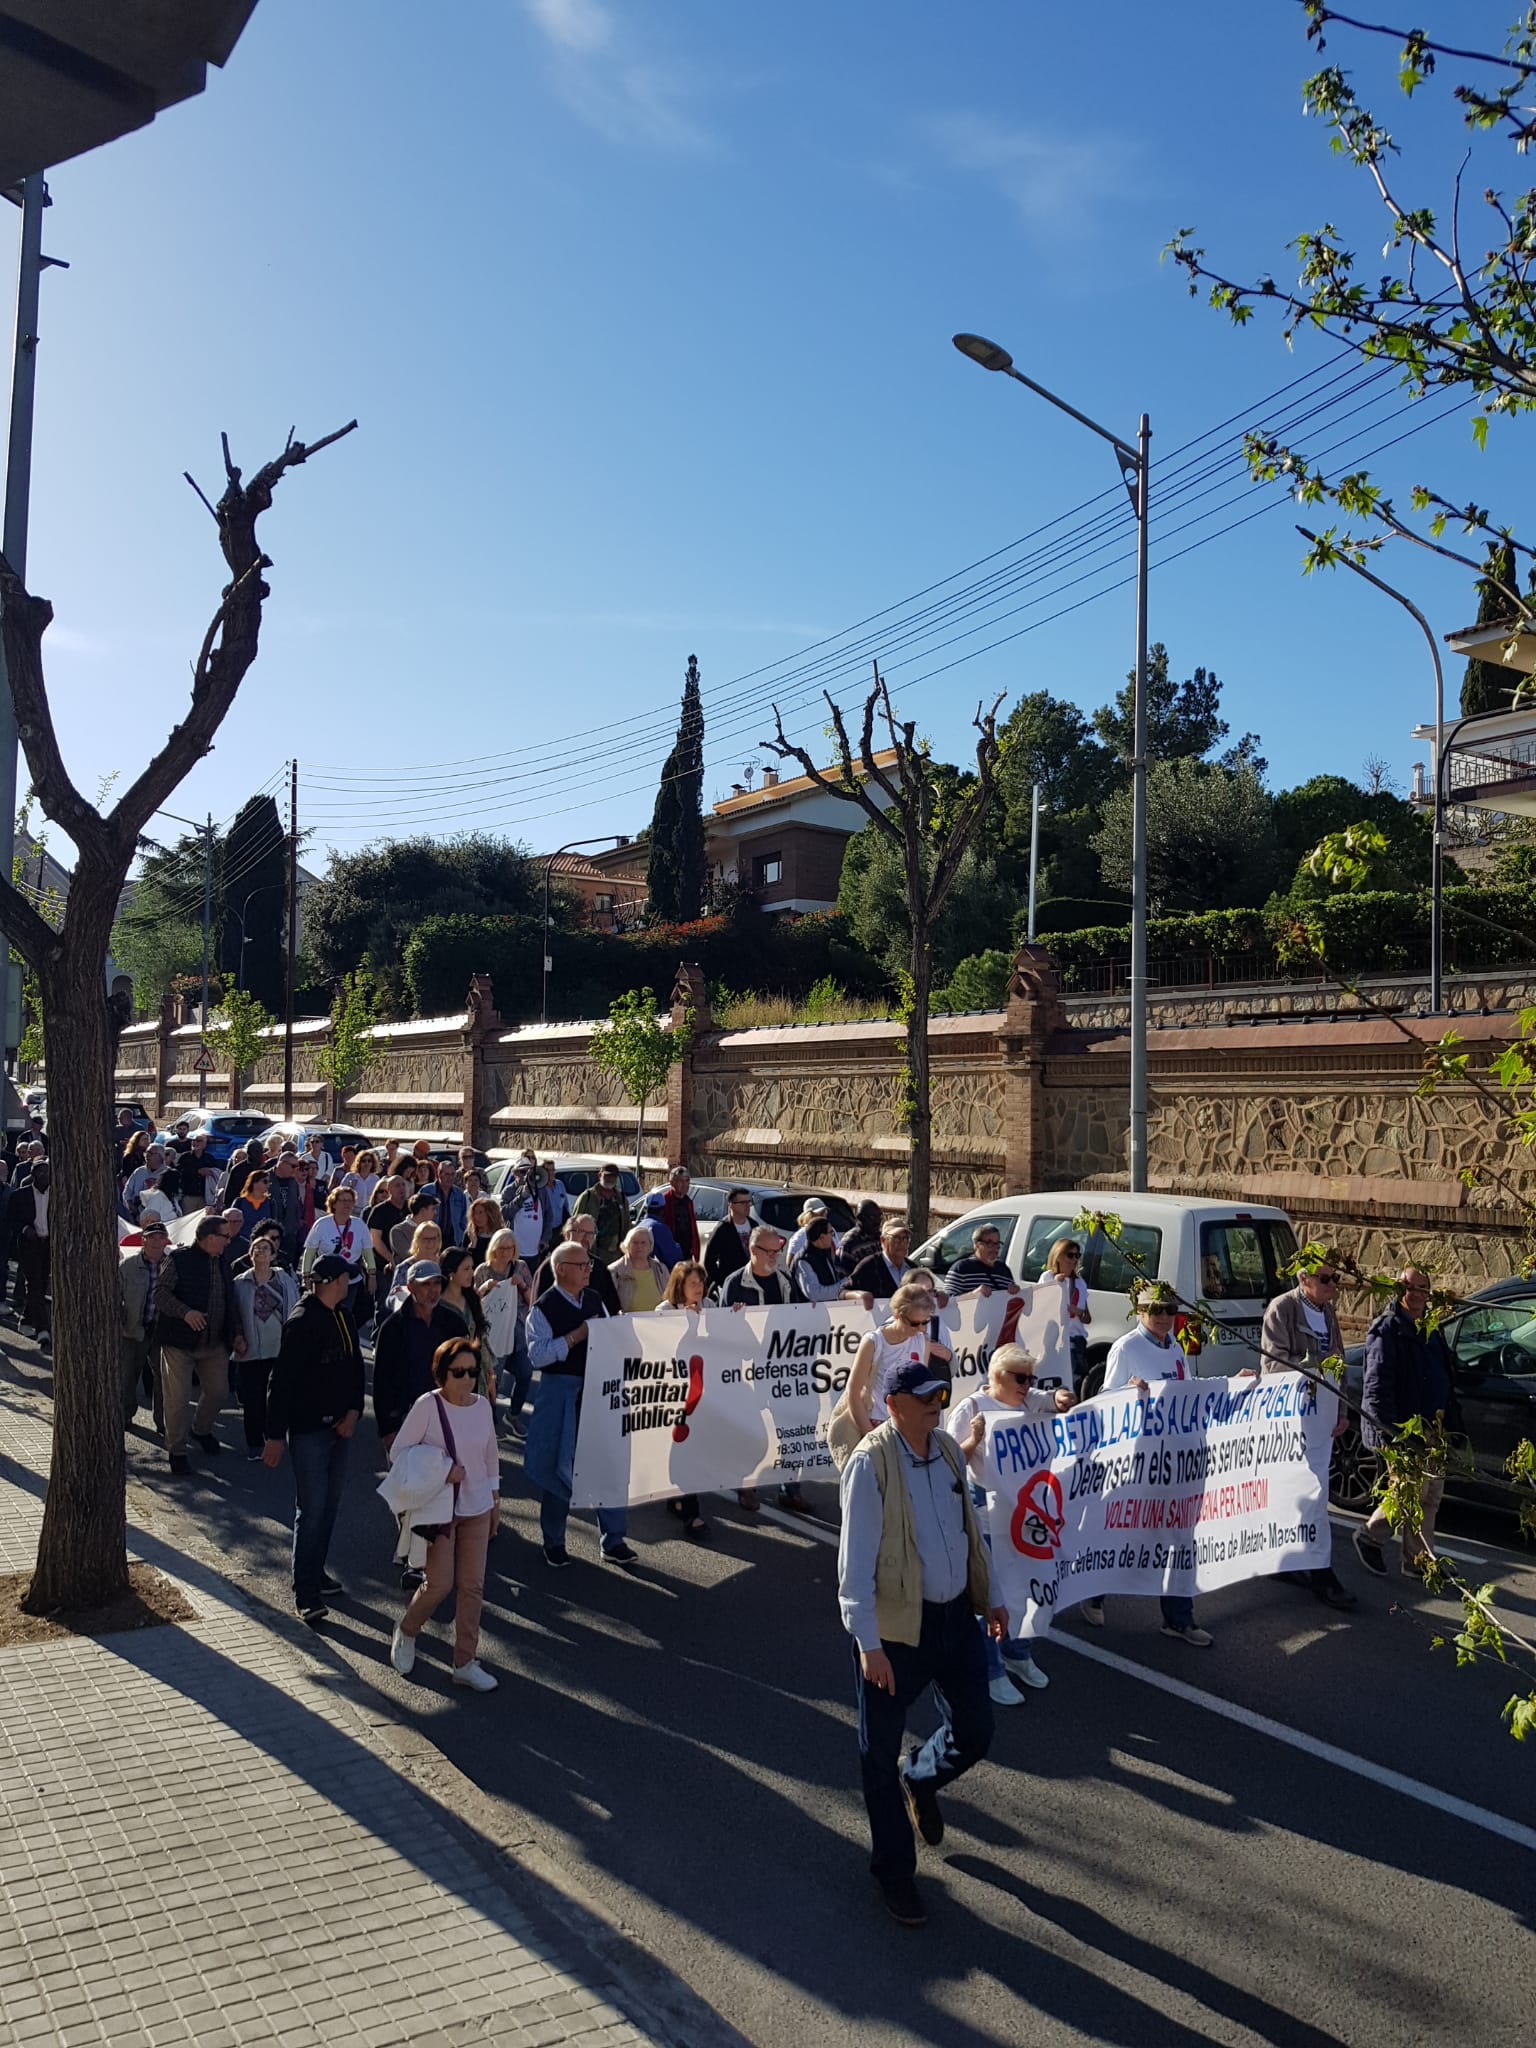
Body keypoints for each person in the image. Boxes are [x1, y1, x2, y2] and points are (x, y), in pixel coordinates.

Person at [837, 1359, 1002, 1927]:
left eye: (940, 1394)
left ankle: (923, 1776)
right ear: (894, 1405)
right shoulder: (871, 1464)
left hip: (956, 1620)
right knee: (878, 1757)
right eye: (924, 1396)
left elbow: (970, 1532)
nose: (936, 1403)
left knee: (977, 1730)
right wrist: (868, 1645)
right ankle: (895, 1876)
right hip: (896, 1633)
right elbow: (854, 1567)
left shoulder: (949, 1450)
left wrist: (992, 1595)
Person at [1090, 1284, 1212, 1646]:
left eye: (1169, 1309)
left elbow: (1186, 1392)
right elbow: (1104, 1400)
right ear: (1140, 1311)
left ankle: (1178, 1618)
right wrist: (1130, 1391)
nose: (1163, 1316)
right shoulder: (1126, 1347)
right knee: (1126, 1534)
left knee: (1178, 1537)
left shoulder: (1175, 1346)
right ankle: (1094, 1591)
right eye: (1155, 1308)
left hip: (1173, 1461)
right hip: (1139, 1460)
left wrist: (1228, 1388)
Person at [948, 1343, 1072, 1701]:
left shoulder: (1030, 1401)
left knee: (1028, 1587)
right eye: (1020, 1378)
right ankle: (990, 1670)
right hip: (985, 1513)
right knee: (990, 1596)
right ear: (998, 1376)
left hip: (1026, 1513)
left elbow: (1057, 1400)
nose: (1027, 1385)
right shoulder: (972, 1407)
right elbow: (952, 1461)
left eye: (1031, 1378)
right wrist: (975, 1439)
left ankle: (1018, 1653)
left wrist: (1063, 1396)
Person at [388, 1336, 502, 1690]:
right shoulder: (428, 1406)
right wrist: (442, 1468)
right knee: (439, 1584)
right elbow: (398, 1452)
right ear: (442, 1374)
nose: (467, 1380)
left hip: (478, 1506)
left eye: (472, 1372)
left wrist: (496, 1500)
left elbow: (490, 1455)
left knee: (473, 1587)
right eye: (459, 1372)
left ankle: (465, 1661)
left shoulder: (482, 1406)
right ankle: (407, 1630)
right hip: (441, 1507)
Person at [262, 1255, 364, 1625]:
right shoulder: (302, 1322)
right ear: (330, 1281)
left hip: (340, 1428)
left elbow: (355, 1370)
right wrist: (275, 1435)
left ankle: (316, 1568)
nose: (349, 1284)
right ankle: (305, 1592)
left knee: (330, 1506)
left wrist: (353, 1411)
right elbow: (281, 1381)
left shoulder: (345, 1316)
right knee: (312, 1507)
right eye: (345, 1279)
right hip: (308, 1431)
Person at [525, 1239, 635, 1567]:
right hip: (561, 1392)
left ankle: (613, 1539)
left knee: (609, 1463)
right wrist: (576, 1336)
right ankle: (554, 1540)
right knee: (560, 1467)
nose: (589, 1270)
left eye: (589, 1265)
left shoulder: (594, 1298)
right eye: (582, 1265)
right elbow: (538, 1355)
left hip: (598, 1388)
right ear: (561, 1270)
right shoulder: (542, 1308)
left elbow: (611, 1333)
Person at [1258, 1248, 1356, 1610]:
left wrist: (1342, 1409)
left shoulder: (1327, 1312)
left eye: (1335, 1278)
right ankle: (1320, 1572)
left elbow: (1340, 1363)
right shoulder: (1282, 1309)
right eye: (1326, 1278)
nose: (1333, 1285)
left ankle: (1290, 1559)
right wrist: (1313, 1375)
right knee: (1310, 1494)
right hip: (1293, 1420)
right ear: (1304, 1279)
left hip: (1321, 1421)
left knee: (1309, 1493)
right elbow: (1274, 1365)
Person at [1355, 1268, 1460, 1579]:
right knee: (1408, 1494)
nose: (1416, 1294)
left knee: (1430, 1497)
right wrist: (1387, 1433)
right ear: (1399, 1288)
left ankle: (1419, 1561)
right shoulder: (1387, 1329)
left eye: (1423, 1288)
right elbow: (1376, 1385)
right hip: (1402, 1428)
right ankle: (1370, 1535)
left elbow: (1443, 1372)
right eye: (1410, 1287)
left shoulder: (1430, 1327)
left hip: (1433, 1427)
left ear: (1430, 1293)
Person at [718, 1228, 815, 1514]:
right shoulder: (735, 1283)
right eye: (769, 1251)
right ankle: (746, 1484)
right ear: (753, 1250)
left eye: (777, 1251)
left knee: (792, 1428)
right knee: (752, 1432)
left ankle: (790, 1488)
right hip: (751, 1371)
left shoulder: (785, 1281)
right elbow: (723, 1330)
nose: (775, 1257)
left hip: (784, 1370)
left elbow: (798, 1318)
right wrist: (734, 1317)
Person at [156, 1214, 246, 1475]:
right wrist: (185, 1312)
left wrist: (237, 1333)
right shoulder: (178, 1260)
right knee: (178, 1399)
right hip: (179, 1342)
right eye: (225, 1236)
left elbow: (231, 1302)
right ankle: (177, 1450)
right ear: (209, 1237)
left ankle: (201, 1429)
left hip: (215, 1342)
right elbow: (160, 1293)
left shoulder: (223, 1264)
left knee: (219, 1391)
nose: (229, 1241)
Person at [847, 1281, 950, 1439]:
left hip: (911, 1426)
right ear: (897, 1315)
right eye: (915, 1323)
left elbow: (920, 1389)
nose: (921, 1329)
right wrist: (870, 1435)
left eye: (925, 1322)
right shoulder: (873, 1341)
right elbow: (853, 1393)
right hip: (879, 1423)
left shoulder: (923, 1340)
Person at [234, 1234, 301, 1459]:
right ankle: (254, 1443)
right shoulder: (239, 1284)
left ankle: (274, 1437)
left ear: (273, 1255)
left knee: (278, 1396)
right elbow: (232, 1315)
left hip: (279, 1348)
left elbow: (294, 1311)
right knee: (253, 1397)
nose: (260, 1252)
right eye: (256, 1248)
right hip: (250, 1349)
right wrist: (237, 1336)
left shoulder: (285, 1282)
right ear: (250, 1255)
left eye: (265, 1248)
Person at [657, 1261, 711, 1538]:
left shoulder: (710, 1307)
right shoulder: (665, 1312)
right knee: (683, 1447)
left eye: (701, 1283)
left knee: (694, 1449)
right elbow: (661, 1347)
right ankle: (692, 1513)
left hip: (703, 1389)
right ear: (680, 1286)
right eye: (693, 1284)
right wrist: (685, 1324)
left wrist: (734, 1316)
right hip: (675, 1390)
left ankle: (676, 1498)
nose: (699, 1288)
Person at [373, 1260, 447, 1447]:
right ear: (410, 1287)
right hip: (404, 1417)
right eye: (425, 1284)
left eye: (437, 1283)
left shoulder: (452, 1323)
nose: (433, 1290)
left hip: (443, 1416)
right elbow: (382, 1380)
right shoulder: (393, 1327)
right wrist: (387, 1429)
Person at [477, 1228, 534, 1441]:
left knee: (525, 1373)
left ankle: (514, 1413)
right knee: (493, 1378)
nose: (505, 1253)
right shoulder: (483, 1270)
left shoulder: (520, 1267)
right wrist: (484, 1288)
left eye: (510, 1248)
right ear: (493, 1249)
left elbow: (532, 1301)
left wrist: (522, 1286)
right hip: (493, 1334)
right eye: (501, 1248)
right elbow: (475, 1302)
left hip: (517, 1332)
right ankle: (491, 1420)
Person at [302, 1185, 376, 1330]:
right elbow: (309, 1252)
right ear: (334, 1203)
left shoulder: (359, 1224)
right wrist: (306, 1277)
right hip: (326, 1280)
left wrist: (371, 1275)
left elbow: (367, 1252)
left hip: (350, 1279)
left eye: (350, 1201)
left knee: (345, 1315)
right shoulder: (322, 1224)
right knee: (325, 1314)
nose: (347, 1204)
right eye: (343, 1200)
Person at [120, 1217, 169, 1432]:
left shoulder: (173, 1265)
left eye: (161, 1238)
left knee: (164, 1381)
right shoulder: (128, 1266)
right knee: (128, 1376)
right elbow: (115, 1296)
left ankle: (162, 1422)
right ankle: (124, 1416)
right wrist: (119, 1324)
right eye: (152, 1238)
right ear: (143, 1240)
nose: (156, 1242)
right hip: (133, 1330)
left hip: (162, 1333)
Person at [534, 1214, 621, 1315]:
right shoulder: (550, 1267)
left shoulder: (599, 1267)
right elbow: (539, 1310)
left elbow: (612, 1307)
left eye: (590, 1234)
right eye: (581, 1232)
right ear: (567, 1235)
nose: (586, 1238)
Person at [436, 1245, 491, 1397]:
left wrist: (489, 1372)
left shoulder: (471, 1300)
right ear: (451, 1272)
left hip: (474, 1373)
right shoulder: (437, 1305)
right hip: (448, 1375)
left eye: (472, 1268)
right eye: (466, 1269)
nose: (471, 1273)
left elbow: (481, 1336)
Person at [11, 1161, 51, 1343]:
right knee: (33, 1283)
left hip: (48, 1244)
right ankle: (43, 1329)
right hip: (29, 1245)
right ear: (33, 1176)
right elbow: (11, 1218)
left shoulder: (57, 1195)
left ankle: (26, 1319)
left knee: (42, 1284)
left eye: (47, 1173)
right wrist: (25, 1229)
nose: (45, 1176)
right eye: (40, 1173)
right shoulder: (21, 1195)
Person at [1045, 1238, 1090, 1386]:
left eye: (1077, 1256)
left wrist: (1078, 1311)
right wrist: (1056, 1285)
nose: (1074, 1260)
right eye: (1070, 1255)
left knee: (1075, 1382)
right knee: (1058, 1383)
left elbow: (1087, 1318)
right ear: (1058, 1255)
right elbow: (1042, 1308)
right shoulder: (1048, 1277)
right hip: (1056, 1340)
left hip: (1076, 1339)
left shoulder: (1079, 1282)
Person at [847, 1222, 922, 1306]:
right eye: (896, 1238)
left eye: (905, 1238)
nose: (902, 1243)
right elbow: (843, 1292)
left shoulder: (913, 1269)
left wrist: (936, 1295)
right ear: (883, 1240)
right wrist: (859, 1295)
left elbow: (925, 1295)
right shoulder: (869, 1267)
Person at [573, 1162, 628, 1266]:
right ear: (599, 1175)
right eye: (607, 1176)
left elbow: (626, 1225)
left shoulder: (621, 1199)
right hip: (594, 1251)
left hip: (616, 1253)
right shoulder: (587, 1197)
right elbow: (574, 1224)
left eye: (613, 1177)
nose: (610, 1179)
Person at [947, 1224, 1021, 1299]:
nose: (995, 1248)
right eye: (989, 1243)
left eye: (997, 1244)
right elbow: (948, 1302)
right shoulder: (961, 1268)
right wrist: (973, 1295)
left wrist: (1015, 1293)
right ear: (977, 1245)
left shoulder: (1004, 1270)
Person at [703, 1186, 754, 1290]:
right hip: (732, 1284)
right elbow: (709, 1261)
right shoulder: (723, 1229)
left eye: (749, 1202)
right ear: (731, 1206)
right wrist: (723, 1281)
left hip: (751, 1282)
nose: (747, 1206)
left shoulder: (754, 1225)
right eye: (743, 1203)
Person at [610, 1224, 668, 1311]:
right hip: (626, 1322)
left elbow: (671, 1298)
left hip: (658, 1322)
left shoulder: (661, 1269)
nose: (639, 1246)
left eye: (643, 1243)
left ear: (650, 1246)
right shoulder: (615, 1271)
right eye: (635, 1243)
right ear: (627, 1245)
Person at [792, 1214, 847, 1304]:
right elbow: (814, 1294)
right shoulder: (803, 1261)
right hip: (810, 1314)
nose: (832, 1237)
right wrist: (844, 1285)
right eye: (830, 1233)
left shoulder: (825, 1252)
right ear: (821, 1237)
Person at [650, 1165, 700, 1260]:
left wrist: (695, 1250)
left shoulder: (688, 1202)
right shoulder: (665, 1201)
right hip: (669, 1253)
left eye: (687, 1181)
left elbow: (693, 1228)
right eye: (681, 1181)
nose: (685, 1185)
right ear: (672, 1183)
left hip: (686, 1252)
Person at [504, 1154, 546, 1263]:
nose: (526, 1175)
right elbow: (505, 1213)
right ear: (515, 1173)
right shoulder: (509, 1191)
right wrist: (522, 1196)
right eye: (523, 1172)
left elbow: (548, 1214)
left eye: (529, 1171)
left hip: (535, 1249)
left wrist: (545, 1238)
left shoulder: (540, 1189)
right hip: (517, 1250)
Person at [267, 1149, 306, 1260]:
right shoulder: (265, 1178)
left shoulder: (293, 1182)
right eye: (293, 1166)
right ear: (282, 1163)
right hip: (269, 1233)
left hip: (289, 1233)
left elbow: (297, 1205)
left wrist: (297, 1224)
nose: (295, 1170)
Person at [390, 1188, 438, 1269]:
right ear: (422, 1211)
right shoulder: (398, 1231)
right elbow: (409, 1256)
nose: (435, 1213)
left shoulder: (432, 1229)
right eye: (432, 1209)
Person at [838, 1199, 884, 1276]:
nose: (878, 1221)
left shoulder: (879, 1238)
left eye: (879, 1216)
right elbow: (843, 1277)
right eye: (873, 1217)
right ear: (861, 1218)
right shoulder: (849, 1243)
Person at [233, 1169, 272, 1250]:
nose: (268, 1185)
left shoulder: (271, 1203)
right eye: (265, 1181)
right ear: (254, 1183)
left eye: (269, 1182)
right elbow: (231, 1221)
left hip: (262, 1245)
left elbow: (272, 1225)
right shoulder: (239, 1202)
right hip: (241, 1244)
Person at [785, 1197, 828, 1267]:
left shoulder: (831, 1231)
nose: (823, 1216)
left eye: (824, 1212)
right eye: (819, 1213)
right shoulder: (800, 1236)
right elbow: (790, 1262)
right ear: (808, 1215)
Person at [435, 1161, 468, 1246]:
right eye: (447, 1174)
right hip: (432, 1238)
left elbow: (464, 1218)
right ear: (439, 1174)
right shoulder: (427, 1191)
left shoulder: (459, 1194)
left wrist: (461, 1235)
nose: (450, 1177)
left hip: (453, 1239)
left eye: (452, 1174)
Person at [466, 1195, 504, 1266]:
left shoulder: (501, 1236)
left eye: (480, 1213)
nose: (476, 1217)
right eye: (474, 1213)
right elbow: (465, 1262)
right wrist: (473, 1245)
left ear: (491, 1214)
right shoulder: (470, 1234)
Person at [539, 1158, 570, 1246]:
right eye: (547, 1170)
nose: (550, 1173)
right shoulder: (540, 1188)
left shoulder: (560, 1184)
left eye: (552, 1170)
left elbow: (565, 1207)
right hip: (544, 1230)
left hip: (559, 1229)